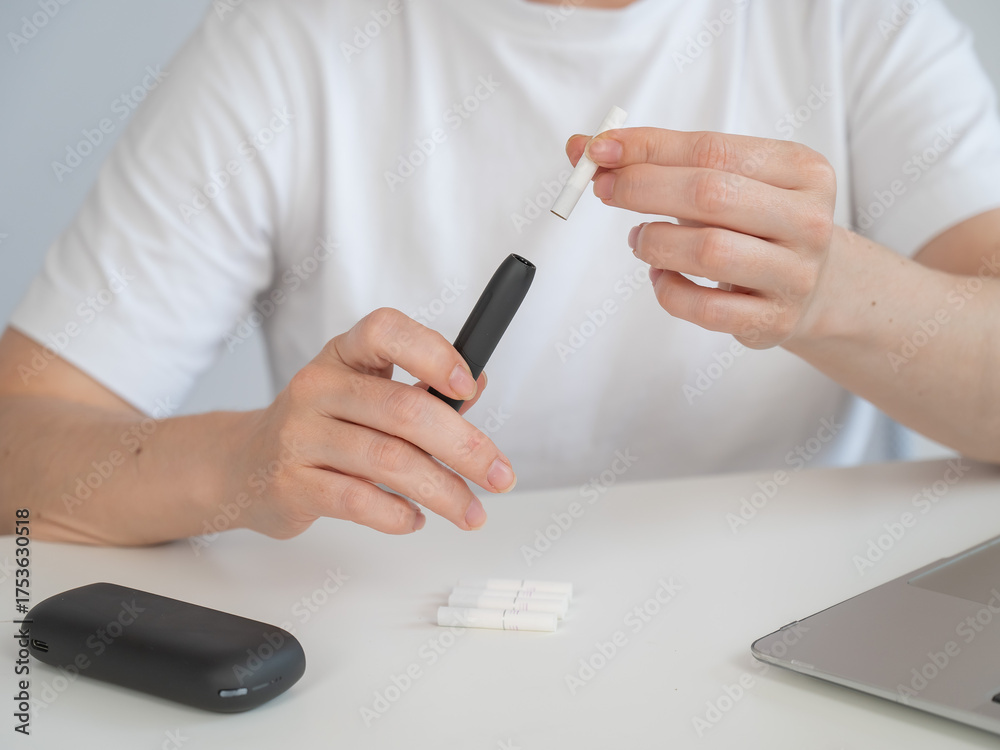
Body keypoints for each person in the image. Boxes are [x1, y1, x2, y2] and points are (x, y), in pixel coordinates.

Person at [1, 0, 998, 545]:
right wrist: (244, 462)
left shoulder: (862, 22)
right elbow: (18, 448)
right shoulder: (285, 42)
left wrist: (834, 295)